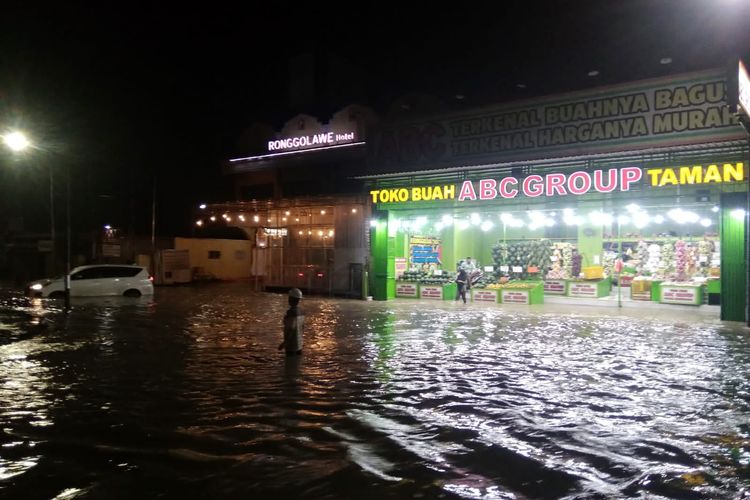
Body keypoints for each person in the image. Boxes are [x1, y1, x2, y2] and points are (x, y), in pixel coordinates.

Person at [278, 288, 304, 356]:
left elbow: (291, 329)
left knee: (289, 364)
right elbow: (302, 328)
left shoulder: (291, 312)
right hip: (299, 345)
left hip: (291, 346)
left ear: (291, 299)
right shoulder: (301, 312)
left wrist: (284, 343)